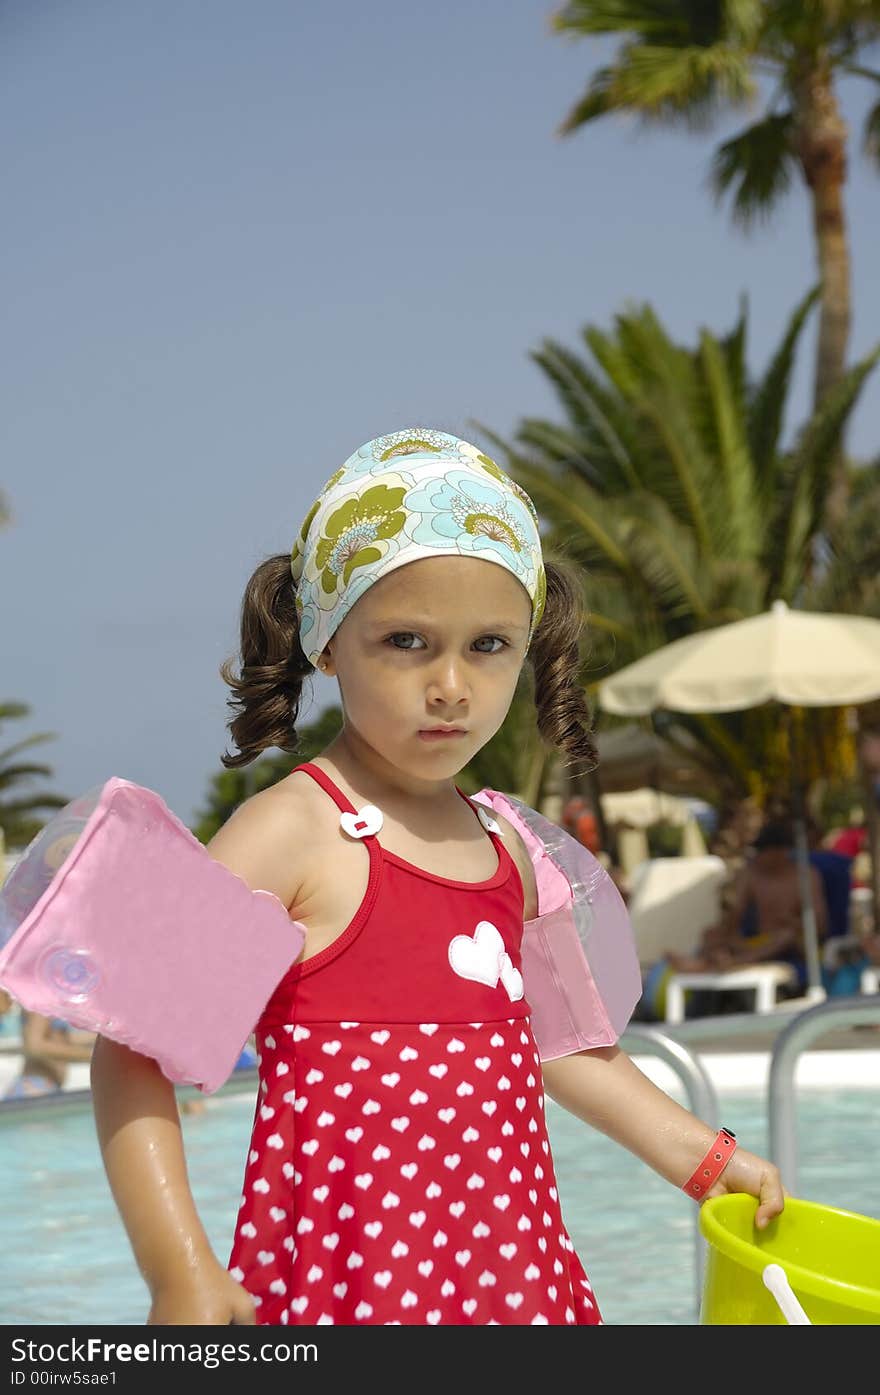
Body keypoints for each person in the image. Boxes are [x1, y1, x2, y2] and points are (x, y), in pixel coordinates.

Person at [90, 428, 783, 1327]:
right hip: (357, 1279)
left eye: (489, 644)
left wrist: (706, 1157)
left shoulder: (510, 849)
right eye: (407, 641)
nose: (452, 685)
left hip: (513, 1275)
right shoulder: (293, 830)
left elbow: (566, 1046)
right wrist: (178, 1268)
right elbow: (135, 1043)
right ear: (327, 641)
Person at [665, 820, 829, 986]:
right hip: (757, 942)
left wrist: (793, 922)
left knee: (786, 935)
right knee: (712, 933)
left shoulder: (806, 876)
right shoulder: (751, 874)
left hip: (794, 945)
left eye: (764, 853)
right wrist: (722, 936)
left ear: (781, 852)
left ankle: (732, 964)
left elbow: (820, 924)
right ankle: (704, 962)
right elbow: (735, 914)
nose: (760, 857)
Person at [1, 1006, 96, 1100]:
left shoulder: (51, 997)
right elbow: (35, 1045)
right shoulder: (40, 996)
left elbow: (60, 1039)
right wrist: (93, 1057)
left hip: (43, 1086)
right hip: (35, 1088)